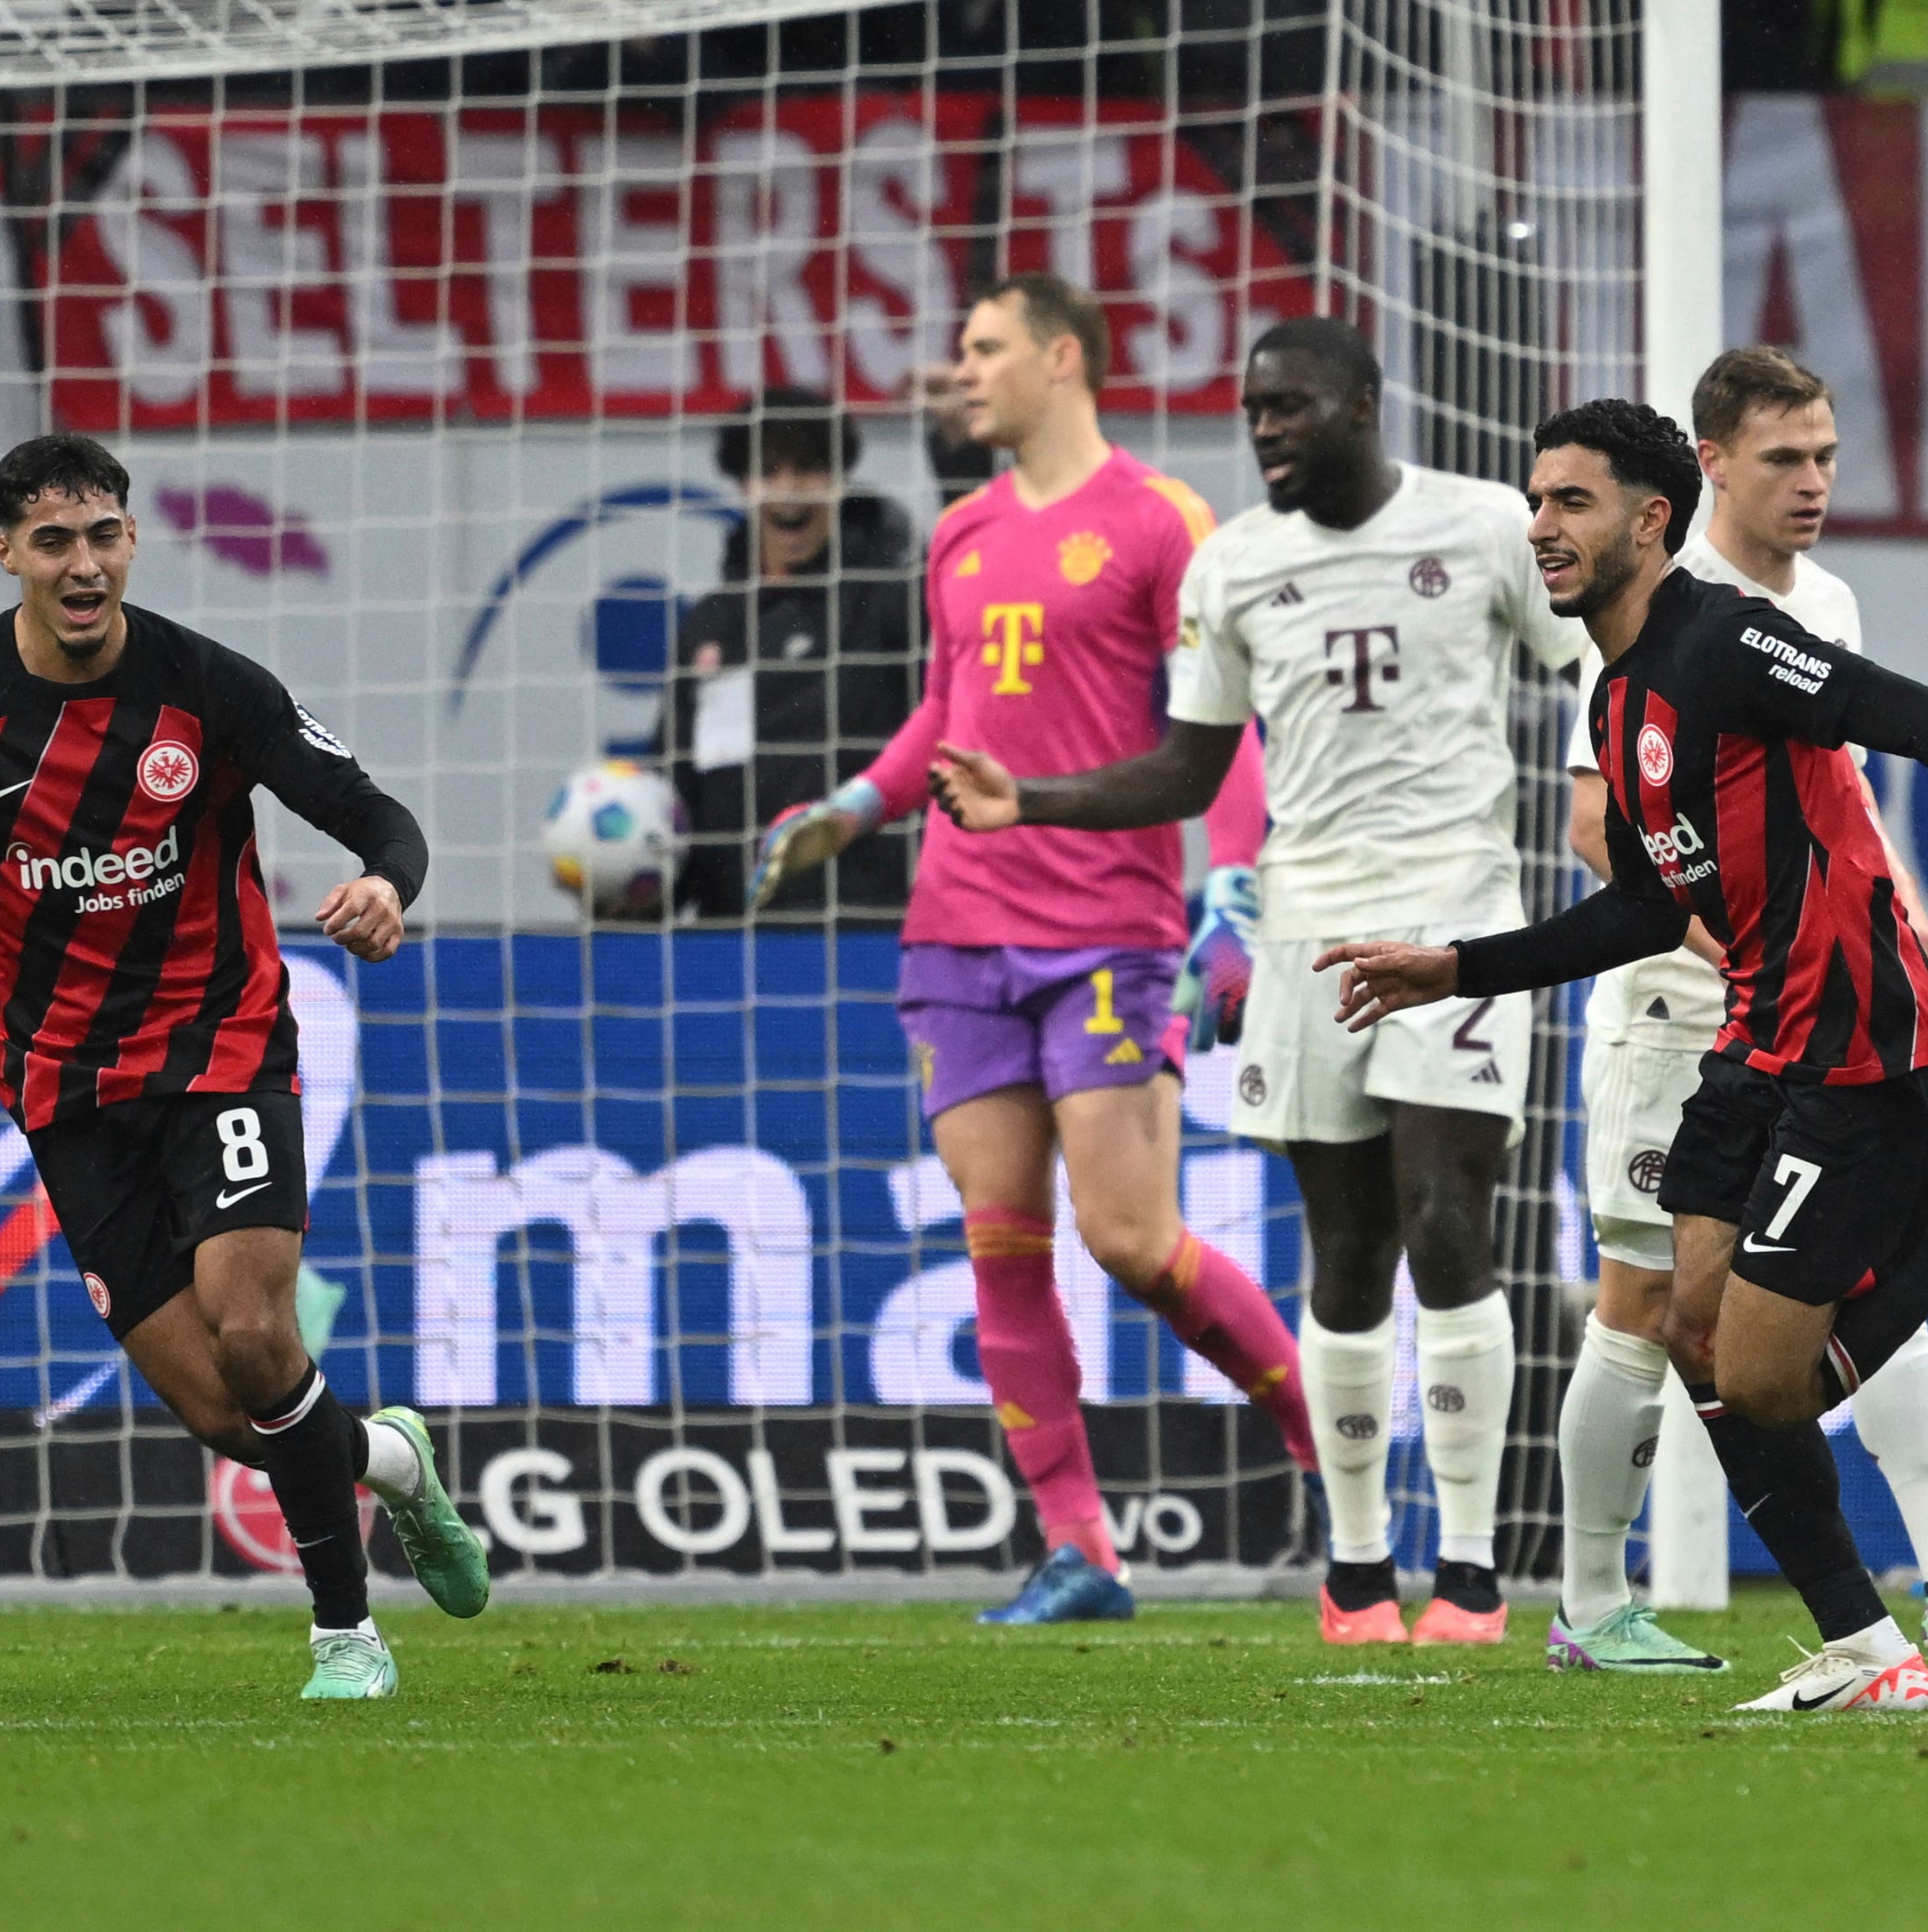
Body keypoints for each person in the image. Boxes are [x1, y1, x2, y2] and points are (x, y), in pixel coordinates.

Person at [1320, 397, 1928, 1713]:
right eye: (1533, 500)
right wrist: (1454, 965)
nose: (1539, 526)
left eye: (1569, 502)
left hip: (1857, 1033)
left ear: (1651, 520)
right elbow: (1649, 909)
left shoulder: (1728, 638)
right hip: (1756, 1035)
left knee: (1766, 1377)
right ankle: (1867, 1657)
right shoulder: (1616, 693)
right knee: (1694, 1341)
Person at [0, 433, 487, 1699]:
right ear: (8, 556)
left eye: (101, 534)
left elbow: (376, 813)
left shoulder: (207, 687)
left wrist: (384, 880)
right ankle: (388, 1462)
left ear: (131, 540)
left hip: (221, 1049)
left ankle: (344, 1635)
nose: (82, 563)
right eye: (53, 541)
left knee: (257, 1335)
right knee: (221, 1411)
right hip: (65, 1091)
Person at [932, 317, 1581, 1647]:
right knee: (1344, 1247)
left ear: (1359, 402)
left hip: (1457, 916)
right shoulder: (1232, 566)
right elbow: (1184, 764)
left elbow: (1591, 663)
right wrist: (1030, 802)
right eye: (1249, 410)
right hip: (1303, 935)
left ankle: (1466, 1569)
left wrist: (1608, 793)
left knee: (1445, 1217)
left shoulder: (1480, 528)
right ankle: (1354, 1569)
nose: (1263, 428)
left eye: (1285, 406)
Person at [758, 273, 1311, 1623]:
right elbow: (943, 715)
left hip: (1106, 934)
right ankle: (1079, 1551)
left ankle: (1334, 1465)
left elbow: (1218, 722)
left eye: (984, 348)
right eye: (960, 351)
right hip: (956, 930)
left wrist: (1229, 893)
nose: (962, 373)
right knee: (997, 1242)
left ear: (1061, 360)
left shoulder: (1159, 521)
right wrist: (852, 805)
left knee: (1127, 1237)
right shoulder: (956, 532)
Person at [1549, 347, 1928, 1675]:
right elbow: (1592, 829)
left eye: (1827, 456)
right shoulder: (1640, 617)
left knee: (1781, 1311)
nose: (1813, 482)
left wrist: (1879, 919)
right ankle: (1589, 1597)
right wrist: (1734, 932)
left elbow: (1837, 788)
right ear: (1704, 468)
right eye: (1783, 457)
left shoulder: (1818, 602)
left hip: (1803, 1011)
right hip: (1680, 1010)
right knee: (1655, 1308)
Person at [660, 386, 918, 918]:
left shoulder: (888, 600)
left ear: (838, 479)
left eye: (808, 469)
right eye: (769, 471)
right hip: (730, 922)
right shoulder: (713, 622)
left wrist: (959, 457)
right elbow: (677, 775)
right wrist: (648, 896)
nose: (789, 489)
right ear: (740, 483)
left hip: (861, 918)